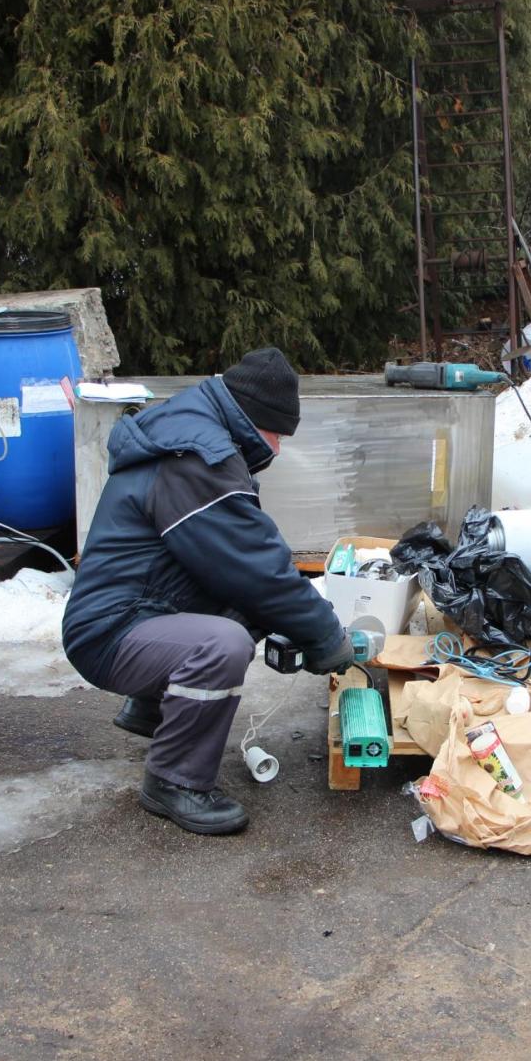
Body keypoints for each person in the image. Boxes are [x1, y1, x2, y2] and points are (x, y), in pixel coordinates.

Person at [61, 347, 353, 835]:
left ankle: (151, 707)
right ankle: (174, 781)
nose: (277, 450)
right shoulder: (199, 459)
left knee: (252, 606)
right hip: (108, 633)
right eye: (277, 434)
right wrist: (327, 638)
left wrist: (306, 621)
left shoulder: (195, 435)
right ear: (250, 419)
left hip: (138, 610)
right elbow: (257, 568)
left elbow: (252, 560)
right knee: (223, 643)